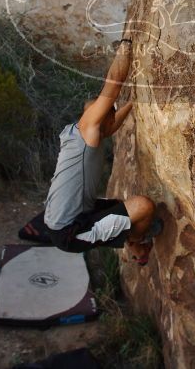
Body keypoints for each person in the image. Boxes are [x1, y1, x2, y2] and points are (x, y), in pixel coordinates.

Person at [43, 37, 159, 265]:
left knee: (117, 206)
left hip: (68, 213)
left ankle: (126, 237)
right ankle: (138, 241)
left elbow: (110, 125)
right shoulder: (90, 128)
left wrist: (134, 102)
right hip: (69, 232)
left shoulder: (77, 131)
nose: (110, 122)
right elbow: (114, 83)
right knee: (144, 207)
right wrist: (126, 45)